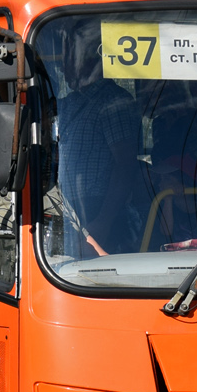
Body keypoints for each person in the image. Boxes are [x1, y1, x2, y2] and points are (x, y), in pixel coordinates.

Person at [55, 34, 141, 254]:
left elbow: (125, 164)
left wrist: (103, 221)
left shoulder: (113, 101)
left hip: (99, 210)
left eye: (68, 62)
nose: (63, 71)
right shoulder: (71, 103)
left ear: (88, 61)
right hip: (69, 207)